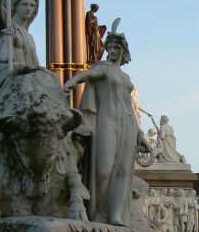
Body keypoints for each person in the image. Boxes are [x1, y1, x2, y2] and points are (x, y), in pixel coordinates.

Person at [64, 30, 152, 226]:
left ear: (123, 51)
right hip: (106, 120)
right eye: (109, 48)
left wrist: (140, 135)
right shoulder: (103, 67)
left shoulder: (126, 77)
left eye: (116, 48)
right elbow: (89, 74)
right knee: (103, 170)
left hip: (128, 123)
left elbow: (130, 105)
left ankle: (116, 215)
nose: (112, 51)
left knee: (123, 170)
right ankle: (98, 212)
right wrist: (73, 80)